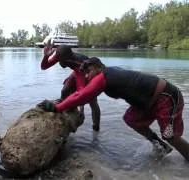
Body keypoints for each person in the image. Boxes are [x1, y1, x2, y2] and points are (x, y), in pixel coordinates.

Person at [38, 57, 189, 161]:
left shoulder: (103, 76)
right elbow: (80, 93)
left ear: (98, 67)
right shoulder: (106, 74)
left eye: (88, 71)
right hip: (149, 102)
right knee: (131, 119)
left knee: (169, 135)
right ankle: (160, 146)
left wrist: (57, 108)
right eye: (84, 73)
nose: (87, 75)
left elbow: (81, 96)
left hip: (166, 97)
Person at [40, 44, 101, 131]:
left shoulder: (79, 62)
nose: (60, 62)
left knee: (92, 101)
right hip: (77, 72)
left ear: (68, 58)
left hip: (90, 74)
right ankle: (63, 116)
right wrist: (46, 56)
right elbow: (44, 67)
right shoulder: (60, 56)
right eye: (59, 59)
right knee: (65, 91)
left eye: (62, 60)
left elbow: (81, 89)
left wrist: (81, 109)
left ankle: (96, 127)